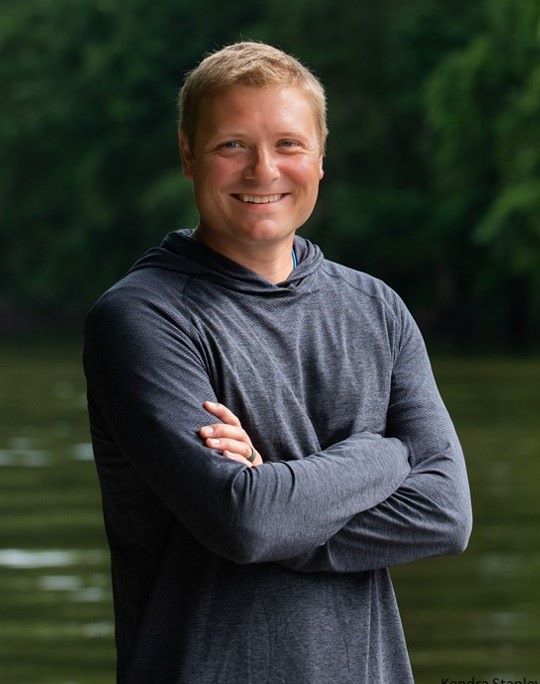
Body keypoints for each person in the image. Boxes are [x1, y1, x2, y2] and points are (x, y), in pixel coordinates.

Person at [83, 41, 472, 684]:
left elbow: (445, 514)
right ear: (188, 154)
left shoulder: (376, 307)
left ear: (321, 157)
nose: (263, 170)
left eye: (288, 144)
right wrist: (385, 454)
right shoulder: (141, 319)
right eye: (232, 144)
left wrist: (278, 492)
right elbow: (245, 522)